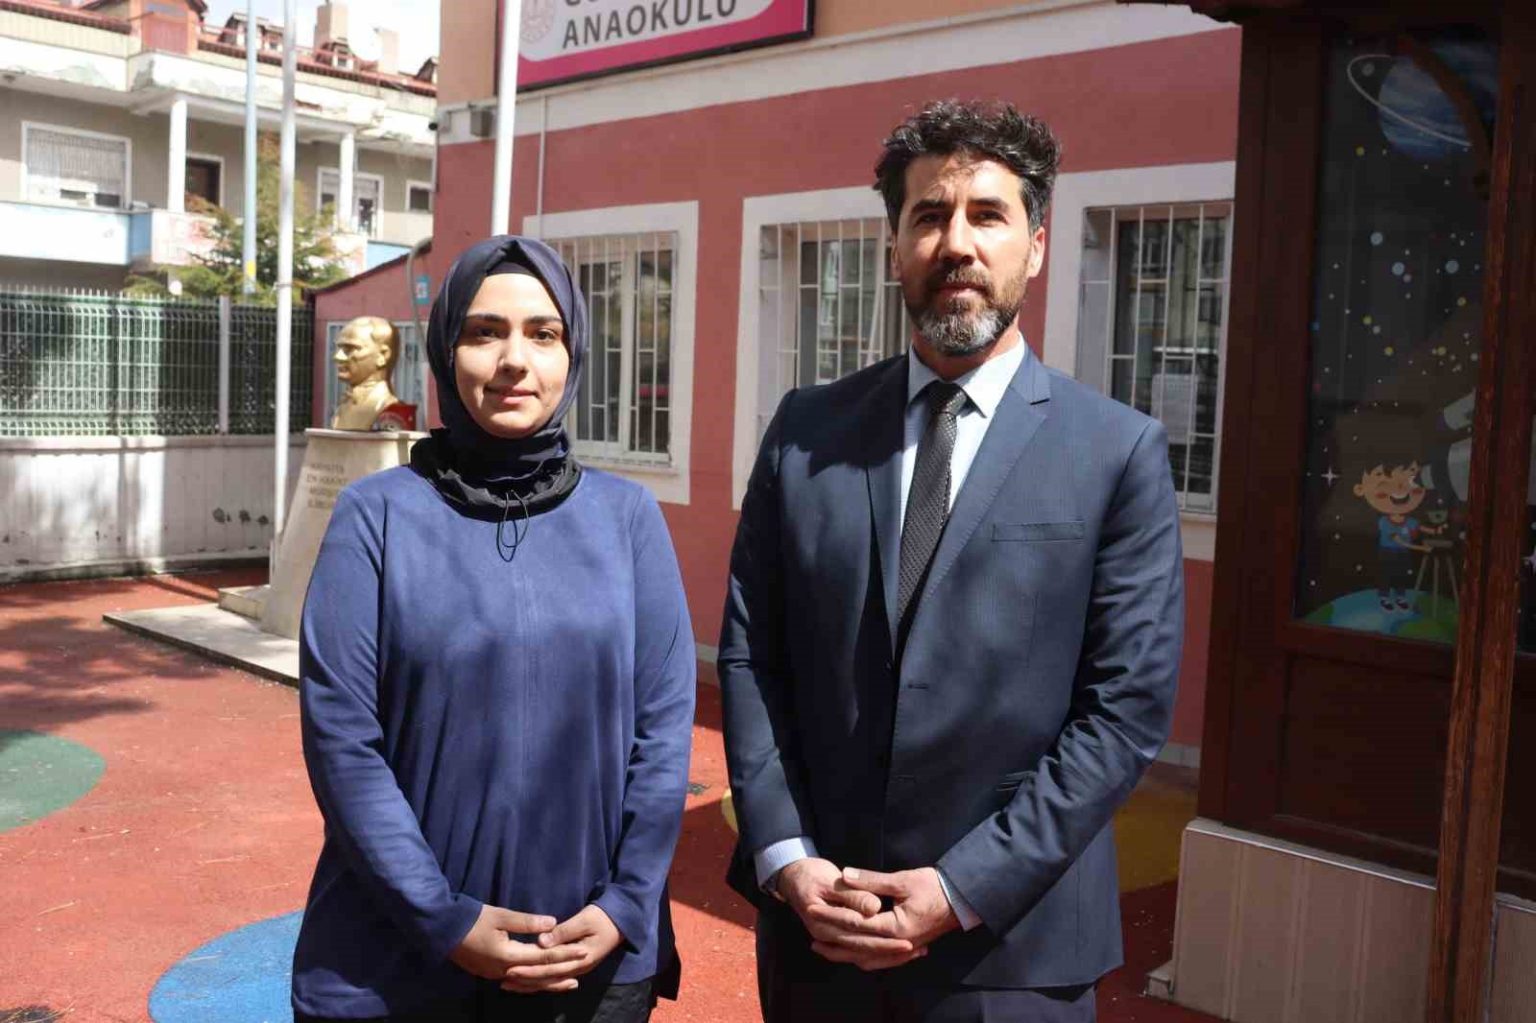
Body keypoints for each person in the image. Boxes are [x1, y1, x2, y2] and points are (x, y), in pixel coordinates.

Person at [718, 99, 1185, 1022]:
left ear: (1035, 247)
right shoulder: (805, 433)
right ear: (893, 247)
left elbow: (1122, 711)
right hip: (821, 934)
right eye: (929, 215)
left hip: (1010, 955)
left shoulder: (1116, 452)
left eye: (987, 215)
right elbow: (749, 653)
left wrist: (962, 884)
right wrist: (785, 855)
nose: (957, 243)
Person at [292, 235, 696, 1023]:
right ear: (447, 350)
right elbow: (343, 739)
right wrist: (443, 916)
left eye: (543, 333)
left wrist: (626, 903)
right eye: (485, 332)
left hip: (591, 960)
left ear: (573, 353)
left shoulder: (627, 519)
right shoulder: (376, 516)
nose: (515, 359)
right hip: (398, 964)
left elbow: (663, 729)